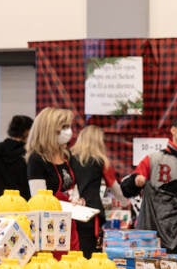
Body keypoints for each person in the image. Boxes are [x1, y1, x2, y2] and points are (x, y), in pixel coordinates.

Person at [26, 107, 81, 251]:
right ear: (49, 130)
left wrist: (78, 200)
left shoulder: (66, 156)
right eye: (64, 127)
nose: (68, 131)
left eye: (69, 126)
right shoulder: (36, 159)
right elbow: (39, 201)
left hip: (70, 223)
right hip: (49, 230)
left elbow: (72, 188)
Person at [71, 125, 127, 257]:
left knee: (74, 247)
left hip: (72, 209)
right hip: (92, 211)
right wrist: (125, 202)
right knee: (90, 249)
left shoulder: (70, 159)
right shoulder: (101, 161)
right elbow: (115, 188)